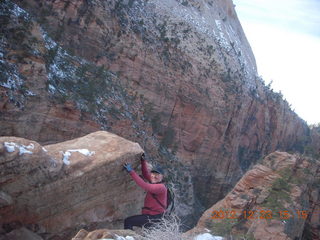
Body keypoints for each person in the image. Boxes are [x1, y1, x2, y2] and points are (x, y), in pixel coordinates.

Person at [123, 154, 167, 230]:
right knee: (146, 234)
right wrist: (143, 161)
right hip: (151, 216)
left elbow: (144, 185)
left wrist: (131, 171)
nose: (154, 176)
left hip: (153, 218)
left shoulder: (161, 187)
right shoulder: (155, 182)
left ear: (162, 176)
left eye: (157, 174)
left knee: (128, 221)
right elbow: (146, 174)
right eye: (153, 173)